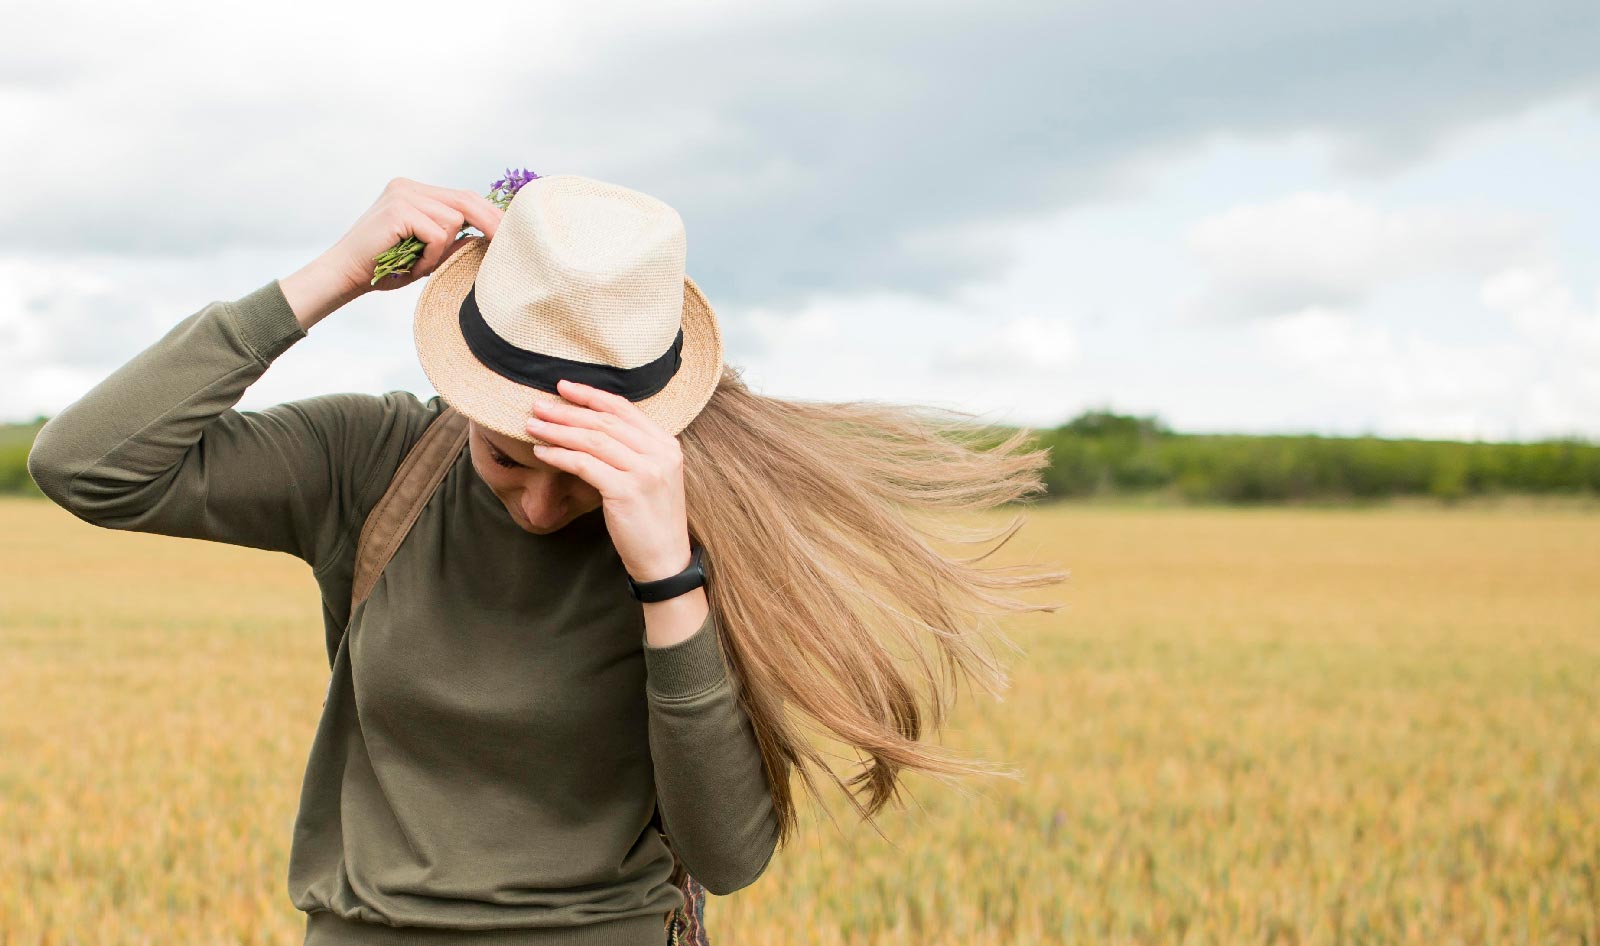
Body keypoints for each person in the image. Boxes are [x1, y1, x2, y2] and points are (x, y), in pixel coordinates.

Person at [26, 175, 1068, 945]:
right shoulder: (370, 462)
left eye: (578, 476)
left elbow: (726, 855)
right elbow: (88, 465)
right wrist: (334, 276)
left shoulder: (708, 521)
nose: (536, 502)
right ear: (464, 395)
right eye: (505, 458)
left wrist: (668, 577)